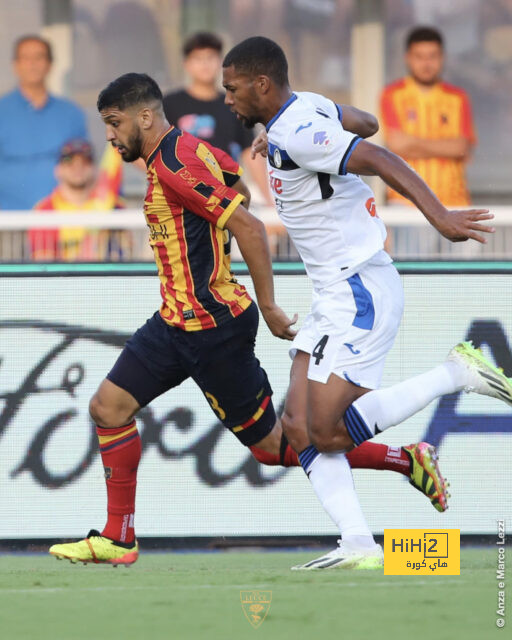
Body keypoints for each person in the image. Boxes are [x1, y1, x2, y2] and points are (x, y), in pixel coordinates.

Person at [48, 73, 451, 570]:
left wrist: (270, 305)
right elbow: (232, 178)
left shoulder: (175, 166)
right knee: (108, 408)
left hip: (213, 328)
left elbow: (249, 225)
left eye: (114, 123)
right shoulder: (188, 150)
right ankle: (119, 537)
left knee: (279, 446)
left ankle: (405, 459)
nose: (109, 135)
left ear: (145, 117)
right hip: (175, 322)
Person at [221, 36, 512, 569]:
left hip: (358, 290)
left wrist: (439, 215)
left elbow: (376, 153)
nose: (227, 99)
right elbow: (367, 123)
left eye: (233, 88)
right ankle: (357, 542)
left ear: (262, 85)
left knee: (329, 430)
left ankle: (457, 373)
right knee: (297, 426)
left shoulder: (297, 127)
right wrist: (284, 139)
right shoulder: (303, 109)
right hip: (333, 292)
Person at [163, 32, 273, 206]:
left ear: (221, 63)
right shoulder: (169, 104)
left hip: (224, 201)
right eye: (198, 58)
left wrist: (269, 201)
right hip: (179, 201)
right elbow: (145, 146)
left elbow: (250, 152)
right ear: (186, 64)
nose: (205, 64)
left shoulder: (234, 105)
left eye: (210, 57)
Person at [380, 26, 476, 207]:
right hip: (405, 201)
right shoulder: (391, 94)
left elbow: (462, 147)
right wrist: (444, 146)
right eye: (419, 57)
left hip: (453, 202)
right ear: (407, 58)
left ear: (442, 57)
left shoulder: (458, 97)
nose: (426, 64)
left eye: (432, 56)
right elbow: (396, 144)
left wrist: (412, 143)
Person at [0, 35, 88, 210]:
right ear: (15, 65)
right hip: (7, 222)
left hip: (60, 222)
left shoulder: (71, 113)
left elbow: (83, 165)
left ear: (50, 64)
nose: (32, 64)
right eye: (26, 58)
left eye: (39, 57)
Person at [29, 139, 127, 261]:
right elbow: (43, 265)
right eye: (69, 161)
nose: (78, 167)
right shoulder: (45, 210)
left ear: (95, 169)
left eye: (85, 161)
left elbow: (128, 254)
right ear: (57, 170)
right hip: (63, 279)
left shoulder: (114, 206)